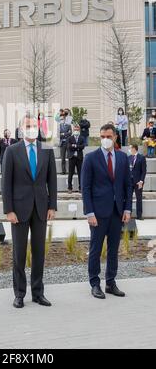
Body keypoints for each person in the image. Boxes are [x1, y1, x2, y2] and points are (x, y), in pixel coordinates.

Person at [2, 114, 57, 309]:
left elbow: (52, 180)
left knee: (39, 252)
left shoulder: (46, 150)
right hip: (18, 209)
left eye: (34, 125)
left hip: (41, 208)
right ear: (21, 129)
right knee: (19, 253)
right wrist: (8, 209)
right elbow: (6, 183)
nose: (32, 128)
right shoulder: (12, 151)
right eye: (28, 125)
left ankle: (38, 293)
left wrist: (52, 206)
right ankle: (19, 294)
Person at [81, 123, 132, 300]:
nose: (105, 140)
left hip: (117, 212)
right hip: (98, 213)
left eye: (109, 137)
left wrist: (127, 208)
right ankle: (95, 284)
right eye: (102, 136)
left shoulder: (123, 158)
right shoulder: (91, 158)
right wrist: (89, 213)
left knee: (113, 249)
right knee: (95, 249)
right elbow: (85, 188)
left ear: (115, 137)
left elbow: (127, 185)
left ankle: (110, 282)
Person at [129, 144, 146, 220]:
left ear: (134, 148)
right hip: (129, 182)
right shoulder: (128, 157)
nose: (129, 149)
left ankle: (139, 215)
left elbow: (144, 171)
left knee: (139, 198)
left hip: (138, 182)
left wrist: (141, 181)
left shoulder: (141, 158)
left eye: (130, 148)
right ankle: (128, 214)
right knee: (129, 198)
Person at [67, 124, 85, 193]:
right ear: (73, 130)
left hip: (79, 158)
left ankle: (81, 187)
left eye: (77, 130)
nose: (76, 131)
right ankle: (69, 188)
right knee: (70, 173)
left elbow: (82, 146)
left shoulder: (82, 138)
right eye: (75, 129)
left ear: (79, 130)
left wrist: (74, 145)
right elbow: (69, 146)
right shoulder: (70, 138)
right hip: (72, 157)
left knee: (80, 173)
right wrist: (77, 146)